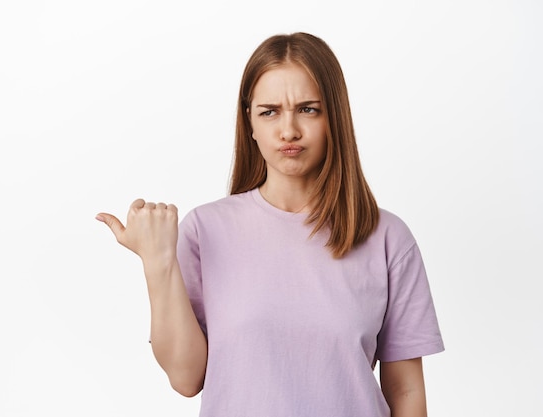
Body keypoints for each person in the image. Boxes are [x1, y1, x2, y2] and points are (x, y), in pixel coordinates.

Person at [96, 32, 444, 417]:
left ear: (335, 116)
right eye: (270, 111)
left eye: (309, 109)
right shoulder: (205, 231)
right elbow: (186, 378)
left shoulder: (387, 239)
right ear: (250, 122)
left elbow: (407, 391)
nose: (288, 130)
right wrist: (158, 262)